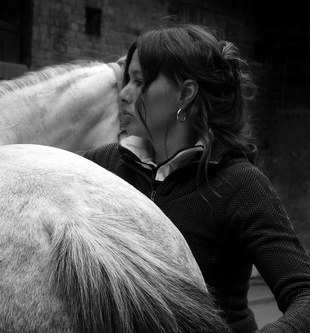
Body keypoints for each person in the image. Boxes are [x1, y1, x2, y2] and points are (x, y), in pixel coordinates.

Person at [78, 22, 310, 332]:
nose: (124, 94)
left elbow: (304, 296)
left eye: (139, 81)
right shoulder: (103, 163)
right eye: (126, 81)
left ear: (185, 93)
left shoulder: (240, 184)